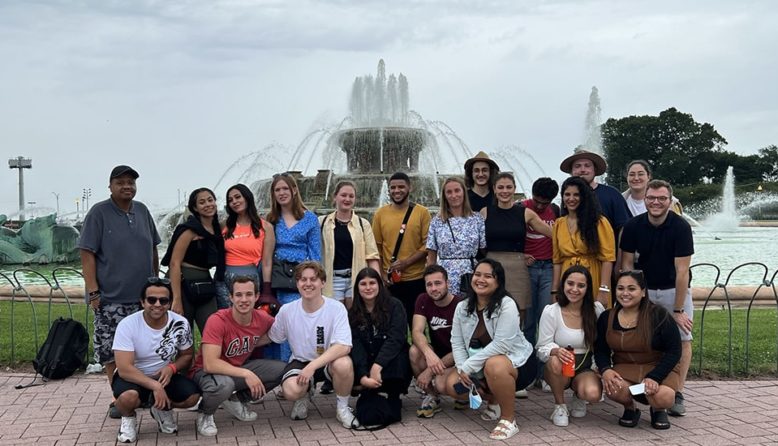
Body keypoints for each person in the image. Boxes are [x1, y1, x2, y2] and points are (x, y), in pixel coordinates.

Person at [79, 165, 161, 419]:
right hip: (111, 299)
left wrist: (155, 283)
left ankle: (143, 394)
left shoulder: (143, 211)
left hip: (143, 300)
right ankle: (119, 398)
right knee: (111, 352)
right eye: (121, 182)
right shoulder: (99, 213)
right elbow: (87, 253)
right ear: (110, 186)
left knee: (144, 350)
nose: (127, 187)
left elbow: (153, 249)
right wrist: (93, 292)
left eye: (131, 183)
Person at [620, 179, 694, 417]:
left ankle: (678, 392)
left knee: (682, 337)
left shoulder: (680, 227)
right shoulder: (633, 226)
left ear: (670, 201)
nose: (656, 202)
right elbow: (627, 264)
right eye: (651, 198)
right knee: (644, 337)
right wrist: (631, 295)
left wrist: (679, 309)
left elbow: (682, 271)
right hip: (644, 290)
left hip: (675, 288)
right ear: (645, 199)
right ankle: (644, 386)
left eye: (662, 198)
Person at [445, 258, 536, 441]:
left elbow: (502, 345)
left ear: (498, 282)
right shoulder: (462, 307)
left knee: (494, 365)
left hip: (517, 364)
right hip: (479, 365)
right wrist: (463, 368)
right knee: (452, 386)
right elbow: (457, 342)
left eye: (488, 276)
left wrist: (469, 366)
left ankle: (509, 419)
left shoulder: (507, 304)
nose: (481, 279)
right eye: (477, 274)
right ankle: (494, 401)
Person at [190, 276, 287, 437]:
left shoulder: (262, 318)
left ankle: (236, 400)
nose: (244, 300)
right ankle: (205, 414)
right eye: (239, 295)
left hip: (236, 369)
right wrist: (247, 373)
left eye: (249, 294)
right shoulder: (218, 320)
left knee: (284, 370)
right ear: (231, 297)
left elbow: (283, 329)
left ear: (256, 297)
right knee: (224, 385)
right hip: (205, 373)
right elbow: (210, 363)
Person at [267, 261, 359, 429]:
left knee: (344, 363)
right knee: (290, 391)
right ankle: (304, 394)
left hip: (326, 362)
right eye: (303, 279)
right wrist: (246, 339)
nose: (308, 284)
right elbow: (272, 337)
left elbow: (344, 346)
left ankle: (342, 408)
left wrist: (312, 367)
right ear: (297, 283)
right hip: (300, 361)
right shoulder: (287, 311)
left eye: (313, 279)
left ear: (322, 283)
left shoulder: (336, 308)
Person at [111, 278, 200, 443]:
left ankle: (162, 408)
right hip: (134, 377)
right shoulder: (127, 325)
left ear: (169, 303)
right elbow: (124, 368)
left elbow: (187, 355)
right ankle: (128, 418)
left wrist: (173, 368)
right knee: (127, 398)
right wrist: (155, 386)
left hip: (164, 375)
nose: (157, 304)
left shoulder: (180, 323)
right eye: (151, 299)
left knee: (193, 397)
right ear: (142, 302)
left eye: (163, 300)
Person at [595, 270, 682, 430]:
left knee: (663, 397)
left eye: (631, 289)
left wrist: (655, 377)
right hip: (625, 367)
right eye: (620, 288)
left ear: (643, 292)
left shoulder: (659, 315)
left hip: (658, 367)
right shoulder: (607, 317)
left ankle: (658, 409)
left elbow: (674, 351)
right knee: (614, 388)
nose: (625, 293)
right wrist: (606, 370)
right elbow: (600, 350)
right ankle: (630, 408)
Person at [536, 265, 604, 427]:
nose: (574, 289)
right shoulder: (551, 311)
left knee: (593, 394)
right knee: (554, 360)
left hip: (585, 365)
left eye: (581, 286)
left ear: (587, 288)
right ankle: (559, 406)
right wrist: (556, 350)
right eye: (570, 284)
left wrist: (599, 366)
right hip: (561, 366)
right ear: (563, 285)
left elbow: (602, 344)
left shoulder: (596, 310)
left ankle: (579, 396)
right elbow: (541, 347)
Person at [481, 173, 552, 326]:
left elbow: (554, 234)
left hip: (517, 268)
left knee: (519, 313)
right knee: (491, 311)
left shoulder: (525, 213)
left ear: (514, 189)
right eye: (500, 187)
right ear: (494, 189)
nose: (504, 191)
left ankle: (517, 348)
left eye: (508, 187)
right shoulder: (485, 212)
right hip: (491, 266)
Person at [266, 173, 322, 361]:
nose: (281, 193)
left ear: (294, 190)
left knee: (302, 326)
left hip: (301, 279)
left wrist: (314, 282)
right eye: (277, 190)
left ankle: (305, 370)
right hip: (279, 280)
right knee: (281, 325)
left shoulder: (310, 219)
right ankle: (285, 372)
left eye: (285, 188)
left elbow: (315, 254)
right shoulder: (271, 220)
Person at [161, 188, 224, 335]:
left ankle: (209, 358)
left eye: (210, 200)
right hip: (183, 283)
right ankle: (185, 359)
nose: (208, 204)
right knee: (182, 333)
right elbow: (174, 263)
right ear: (195, 208)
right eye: (202, 202)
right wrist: (176, 299)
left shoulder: (217, 229)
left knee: (212, 331)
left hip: (205, 283)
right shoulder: (189, 230)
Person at [372, 172, 431, 325]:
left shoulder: (422, 213)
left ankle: (417, 348)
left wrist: (406, 263)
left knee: (415, 322)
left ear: (410, 188)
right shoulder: (380, 214)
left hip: (416, 278)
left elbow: (427, 245)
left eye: (401, 187)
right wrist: (382, 273)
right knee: (392, 323)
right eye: (393, 188)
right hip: (390, 281)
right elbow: (376, 246)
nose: (396, 191)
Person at [349, 268, 411, 408]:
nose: (368, 287)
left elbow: (396, 338)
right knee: (349, 357)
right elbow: (356, 344)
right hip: (367, 357)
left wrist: (377, 366)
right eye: (363, 284)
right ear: (357, 288)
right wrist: (363, 375)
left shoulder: (395, 305)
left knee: (401, 353)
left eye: (372, 283)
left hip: (389, 358)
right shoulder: (353, 313)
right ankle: (365, 386)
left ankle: (393, 393)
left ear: (379, 285)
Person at [410, 265, 466, 418]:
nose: (433, 288)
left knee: (442, 384)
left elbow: (462, 348)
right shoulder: (423, 299)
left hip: (459, 357)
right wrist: (429, 354)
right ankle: (432, 396)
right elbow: (416, 331)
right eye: (429, 284)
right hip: (437, 354)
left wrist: (429, 371)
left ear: (448, 283)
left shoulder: (461, 306)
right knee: (415, 351)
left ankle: (464, 393)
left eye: (438, 283)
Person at [552, 176, 615, 307]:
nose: (571, 198)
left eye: (576, 195)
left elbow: (608, 259)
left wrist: (604, 289)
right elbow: (557, 261)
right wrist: (555, 290)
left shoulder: (599, 222)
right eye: (567, 194)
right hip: (567, 278)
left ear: (584, 197)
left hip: (593, 277)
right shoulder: (559, 224)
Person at [319, 181, 380, 308]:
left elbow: (372, 256)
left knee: (357, 319)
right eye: (343, 195)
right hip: (332, 279)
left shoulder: (363, 224)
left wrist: (377, 283)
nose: (347, 199)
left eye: (351, 196)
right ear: (335, 197)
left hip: (357, 278)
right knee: (335, 318)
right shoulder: (322, 222)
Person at [216, 183, 276, 309]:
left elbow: (267, 262)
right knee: (228, 319)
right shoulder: (224, 225)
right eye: (230, 200)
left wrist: (266, 290)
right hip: (224, 280)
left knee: (247, 319)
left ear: (247, 197)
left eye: (238, 197)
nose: (234, 202)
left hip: (251, 279)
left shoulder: (265, 227)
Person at [426, 177, 485, 297]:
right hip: (444, 275)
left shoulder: (477, 219)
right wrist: (430, 281)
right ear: (444, 196)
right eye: (449, 192)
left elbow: (484, 250)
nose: (454, 195)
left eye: (457, 190)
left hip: (470, 274)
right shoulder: (437, 221)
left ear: (464, 192)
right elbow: (431, 257)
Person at [521, 177, 560, 350]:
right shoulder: (521, 208)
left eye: (544, 203)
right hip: (527, 268)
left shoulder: (556, 210)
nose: (539, 206)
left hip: (549, 268)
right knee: (528, 319)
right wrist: (521, 255)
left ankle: (544, 361)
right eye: (536, 201)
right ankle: (529, 361)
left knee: (546, 316)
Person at [559, 146, 630, 238]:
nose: (582, 170)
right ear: (572, 171)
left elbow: (624, 228)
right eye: (577, 166)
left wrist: (621, 252)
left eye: (587, 166)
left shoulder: (612, 195)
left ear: (594, 170)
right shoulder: (567, 198)